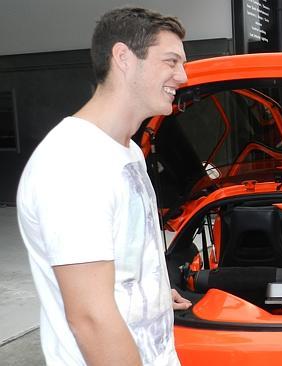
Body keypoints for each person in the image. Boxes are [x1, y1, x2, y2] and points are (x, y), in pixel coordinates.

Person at [16, 7, 192, 365]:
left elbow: (119, 266)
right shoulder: (73, 163)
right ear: (124, 57)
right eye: (171, 61)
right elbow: (91, 319)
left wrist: (153, 294)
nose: (184, 76)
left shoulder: (127, 151)